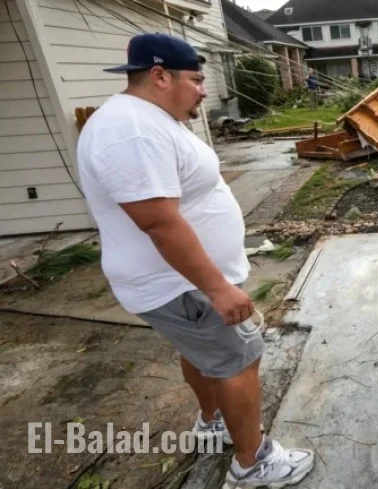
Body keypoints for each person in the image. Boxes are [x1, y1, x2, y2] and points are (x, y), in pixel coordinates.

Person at [76, 33, 314, 488]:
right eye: (196, 79)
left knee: (204, 355)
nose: (204, 90)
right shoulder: (132, 130)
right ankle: (253, 464)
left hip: (182, 282)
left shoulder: (150, 118)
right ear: (160, 76)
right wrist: (218, 288)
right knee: (240, 359)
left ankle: (213, 422)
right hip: (180, 285)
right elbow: (159, 223)